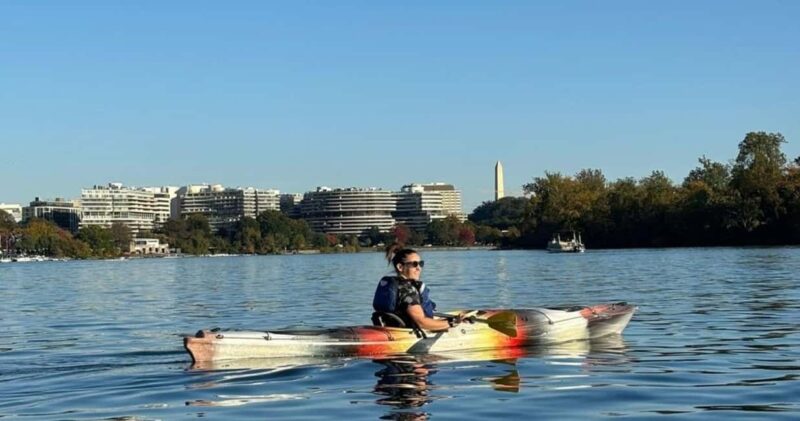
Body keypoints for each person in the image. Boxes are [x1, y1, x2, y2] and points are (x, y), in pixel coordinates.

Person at [372, 244, 460, 331]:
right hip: (406, 334)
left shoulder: (391, 283)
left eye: (421, 264)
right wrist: (453, 323)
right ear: (400, 267)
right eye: (414, 264)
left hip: (391, 328)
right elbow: (421, 323)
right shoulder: (407, 289)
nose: (419, 268)